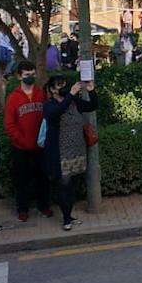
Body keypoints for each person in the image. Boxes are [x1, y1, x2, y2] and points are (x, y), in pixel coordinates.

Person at [41, 76, 98, 231]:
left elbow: (92, 106)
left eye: (65, 84)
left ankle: (70, 214)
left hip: (76, 149)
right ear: (53, 90)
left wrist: (91, 91)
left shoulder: (73, 102)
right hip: (60, 152)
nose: (64, 87)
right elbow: (58, 111)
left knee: (73, 184)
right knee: (64, 184)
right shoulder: (49, 105)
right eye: (60, 85)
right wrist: (71, 94)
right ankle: (66, 218)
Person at [4, 61, 51, 222]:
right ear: (19, 76)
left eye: (32, 74)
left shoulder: (41, 94)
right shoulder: (13, 98)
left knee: (43, 177)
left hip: (40, 145)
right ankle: (22, 208)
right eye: (26, 75)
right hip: (21, 147)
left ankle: (44, 205)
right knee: (21, 180)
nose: (30, 77)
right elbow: (9, 124)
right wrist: (20, 140)